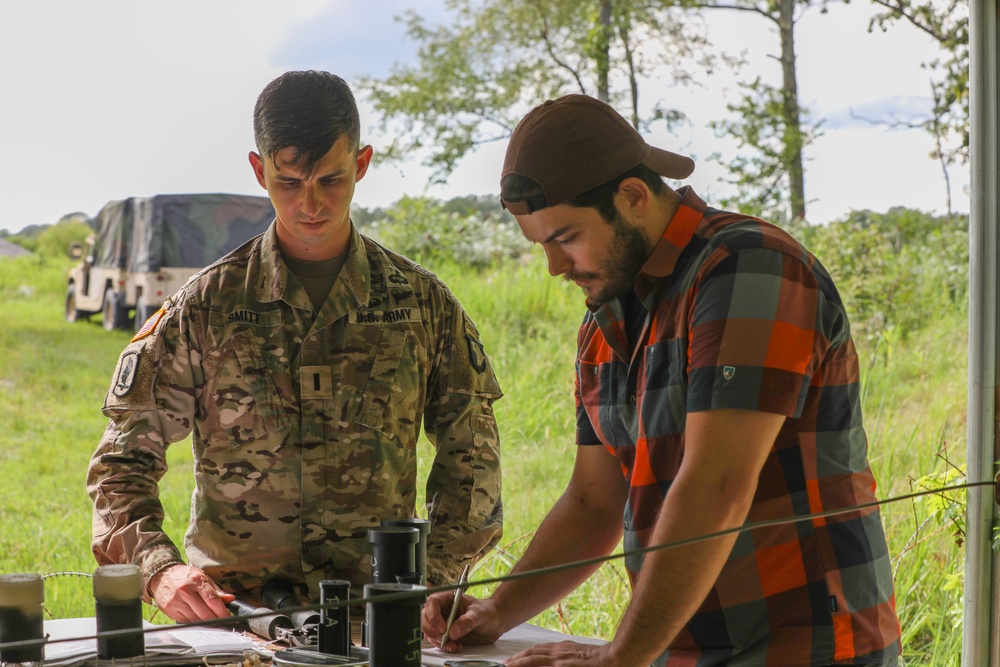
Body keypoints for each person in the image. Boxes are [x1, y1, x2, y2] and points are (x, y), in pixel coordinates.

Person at [422, 94, 901, 666]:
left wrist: (620, 658)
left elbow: (717, 483)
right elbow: (593, 501)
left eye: (565, 238)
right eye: (541, 245)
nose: (554, 267)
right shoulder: (606, 315)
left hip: (808, 650)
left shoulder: (750, 267)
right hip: (683, 651)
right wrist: (500, 610)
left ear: (632, 197)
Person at [86, 70, 504, 624]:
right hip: (235, 619)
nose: (312, 204)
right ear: (259, 172)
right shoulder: (203, 308)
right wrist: (160, 570)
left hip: (379, 616)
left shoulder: (421, 305)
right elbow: (120, 466)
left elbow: (471, 457)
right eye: (289, 182)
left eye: (331, 179)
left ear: (361, 164)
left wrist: (435, 579)